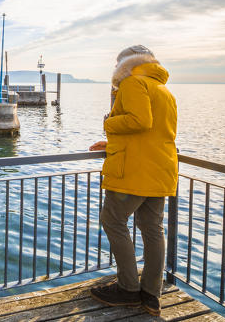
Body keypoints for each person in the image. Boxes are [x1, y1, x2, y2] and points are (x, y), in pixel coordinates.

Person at [88, 45, 178, 316]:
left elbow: (140, 121)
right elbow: (154, 131)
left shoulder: (132, 83)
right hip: (160, 169)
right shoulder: (164, 91)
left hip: (133, 171)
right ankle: (151, 294)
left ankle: (127, 288)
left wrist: (109, 124)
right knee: (152, 229)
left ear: (124, 65)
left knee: (113, 220)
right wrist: (112, 140)